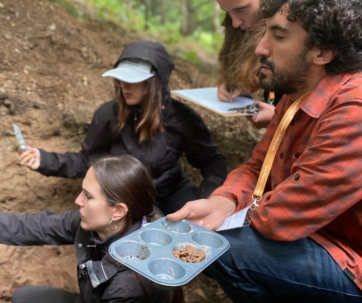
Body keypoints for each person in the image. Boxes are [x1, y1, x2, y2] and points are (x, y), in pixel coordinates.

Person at [168, 0, 362, 303]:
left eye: (279, 35)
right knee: (209, 239)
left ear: (322, 52)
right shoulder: (298, 90)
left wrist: (230, 219)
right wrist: (223, 201)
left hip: (350, 257)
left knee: (218, 248)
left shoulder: (353, 108)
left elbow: (281, 218)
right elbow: (259, 165)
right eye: (265, 32)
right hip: (311, 234)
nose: (260, 48)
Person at [0, 155, 183, 303]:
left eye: (88, 196)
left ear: (118, 211)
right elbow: (24, 226)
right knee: (25, 300)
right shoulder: (107, 222)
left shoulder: (130, 285)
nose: (78, 201)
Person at [19, 40, 227, 214]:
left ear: (155, 83)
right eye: (121, 79)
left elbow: (211, 161)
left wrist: (209, 198)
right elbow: (88, 161)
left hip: (174, 192)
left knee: (190, 226)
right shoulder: (108, 115)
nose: (124, 85)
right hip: (129, 200)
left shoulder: (183, 118)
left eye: (133, 80)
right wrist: (44, 160)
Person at [212, 0, 340, 128]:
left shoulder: (315, 3)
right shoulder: (248, 11)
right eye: (227, 11)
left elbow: (336, 98)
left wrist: (282, 118)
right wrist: (234, 85)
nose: (235, 23)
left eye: (240, 10)